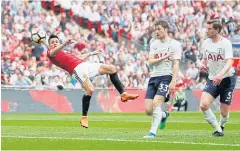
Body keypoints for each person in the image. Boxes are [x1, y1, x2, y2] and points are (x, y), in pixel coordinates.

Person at [47, 34, 139, 128]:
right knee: (90, 89)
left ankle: (123, 94)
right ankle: (84, 117)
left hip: (85, 65)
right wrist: (64, 44)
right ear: (49, 45)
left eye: (56, 41)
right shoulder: (50, 53)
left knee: (111, 68)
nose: (55, 43)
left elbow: (78, 57)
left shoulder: (64, 52)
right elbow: (53, 52)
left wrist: (92, 53)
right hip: (76, 70)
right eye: (52, 42)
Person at [143, 19, 182, 138]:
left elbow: (175, 64)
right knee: (148, 110)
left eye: (159, 29)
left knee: (156, 102)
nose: (157, 32)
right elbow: (150, 61)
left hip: (166, 77)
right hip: (154, 77)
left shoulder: (175, 44)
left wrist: (173, 81)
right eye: (155, 29)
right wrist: (164, 56)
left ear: (166, 30)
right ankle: (164, 115)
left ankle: (152, 132)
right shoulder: (153, 43)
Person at [199, 20, 237, 137]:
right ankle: (218, 130)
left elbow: (230, 61)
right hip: (212, 79)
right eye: (206, 28)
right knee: (204, 105)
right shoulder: (206, 43)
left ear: (216, 30)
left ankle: (221, 126)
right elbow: (204, 58)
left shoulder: (225, 43)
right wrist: (202, 64)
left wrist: (220, 74)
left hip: (227, 79)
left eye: (209, 28)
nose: (207, 30)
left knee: (224, 112)